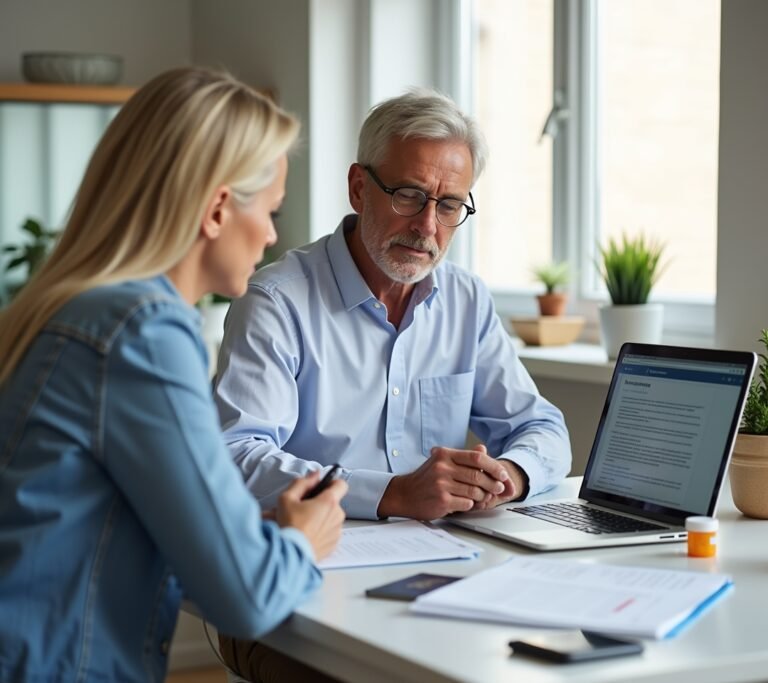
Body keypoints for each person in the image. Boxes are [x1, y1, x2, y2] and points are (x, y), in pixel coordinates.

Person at [0, 67, 347, 683]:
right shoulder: (144, 333)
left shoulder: (63, 307)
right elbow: (246, 597)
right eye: (270, 210)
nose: (271, 236)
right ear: (217, 209)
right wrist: (303, 540)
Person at [214, 87, 571, 523]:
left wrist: (508, 475)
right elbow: (237, 455)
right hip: (320, 552)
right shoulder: (276, 302)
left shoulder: (466, 299)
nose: (426, 226)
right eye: (408, 195)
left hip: (447, 551)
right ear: (359, 189)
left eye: (450, 205)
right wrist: (391, 494)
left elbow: (544, 430)